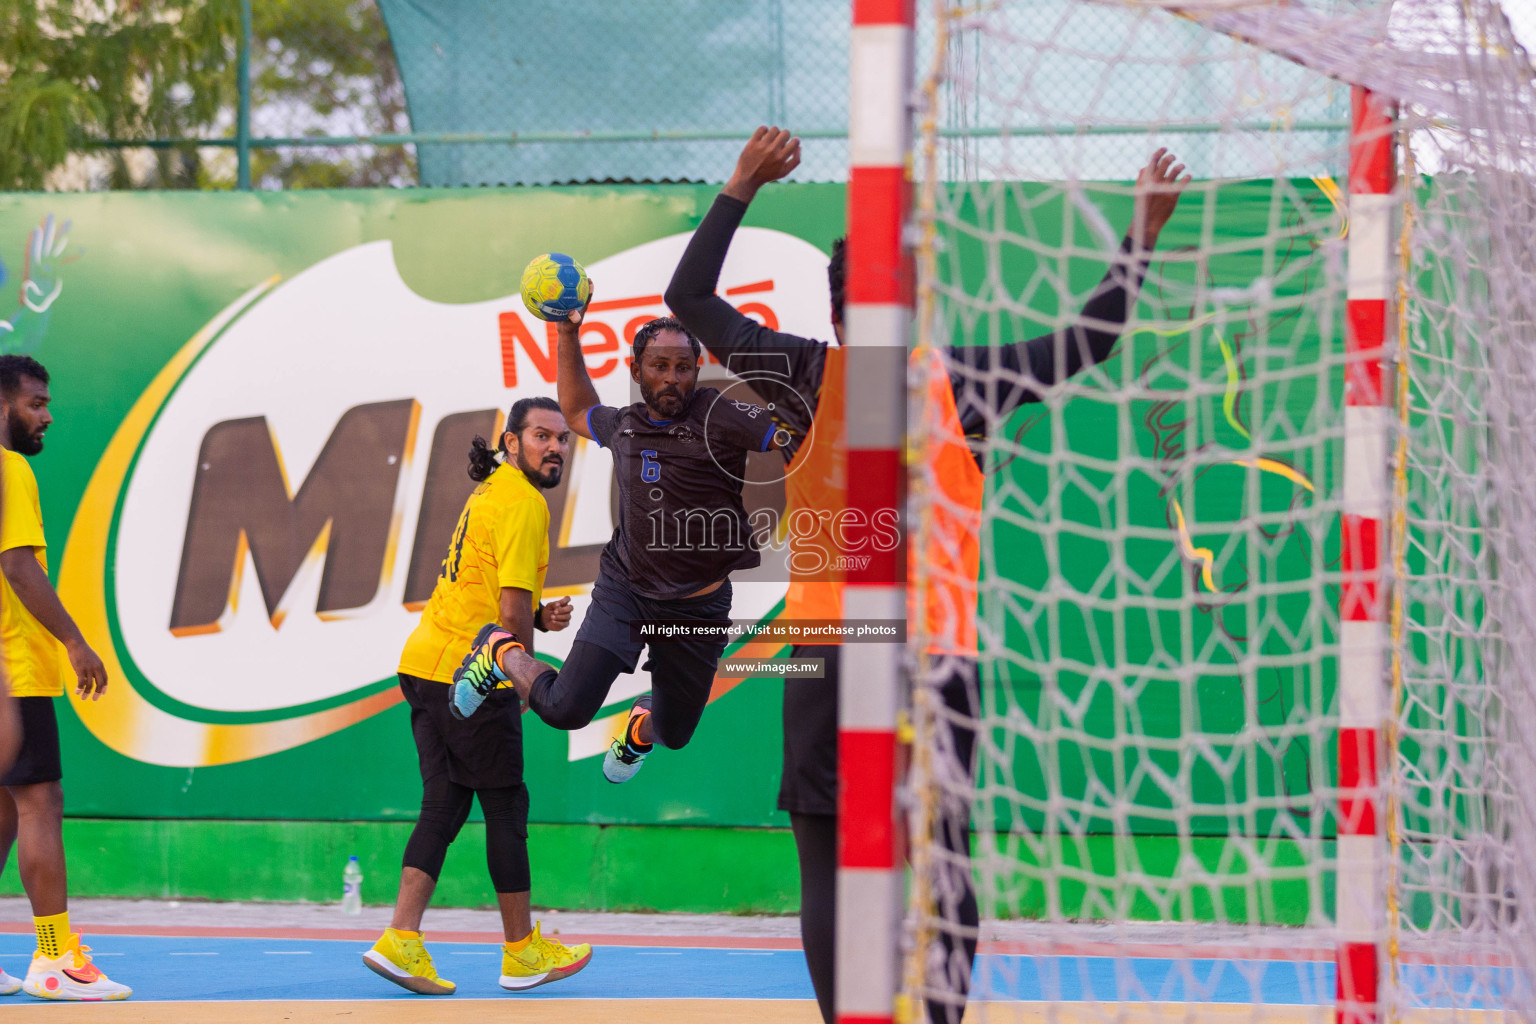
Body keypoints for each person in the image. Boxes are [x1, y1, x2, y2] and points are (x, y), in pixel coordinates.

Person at [662, 127, 1190, 1024]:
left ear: (833, 315)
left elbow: (687, 297)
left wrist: (743, 182)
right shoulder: (963, 379)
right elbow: (1089, 339)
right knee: (942, 857)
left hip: (827, 650)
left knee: (826, 860)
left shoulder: (801, 373)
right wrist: (1141, 233)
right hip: (937, 656)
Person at [450, 311, 783, 784]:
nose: (672, 378)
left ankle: (638, 730)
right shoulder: (623, 425)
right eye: (659, 366)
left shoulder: (719, 413)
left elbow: (794, 436)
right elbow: (575, 408)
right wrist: (567, 332)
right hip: (626, 593)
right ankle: (499, 652)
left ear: (697, 369)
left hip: (698, 610)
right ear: (636, 371)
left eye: (683, 368)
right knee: (565, 709)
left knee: (675, 732)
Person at [365, 397, 591, 996]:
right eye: (542, 436)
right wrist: (521, 673)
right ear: (511, 442)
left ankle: (401, 940)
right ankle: (521, 952)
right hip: (474, 670)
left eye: (563, 439)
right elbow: (509, 601)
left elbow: (483, 584)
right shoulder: (523, 502)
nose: (555, 447)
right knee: (506, 806)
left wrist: (536, 618)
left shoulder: (492, 488)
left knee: (445, 802)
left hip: (425, 664)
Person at [0, 355, 129, 1001]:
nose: (47, 415)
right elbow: (19, 567)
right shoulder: (10, 467)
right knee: (39, 803)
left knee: (4, 808)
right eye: (35, 403)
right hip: (16, 667)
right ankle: (55, 958)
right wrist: (76, 641)